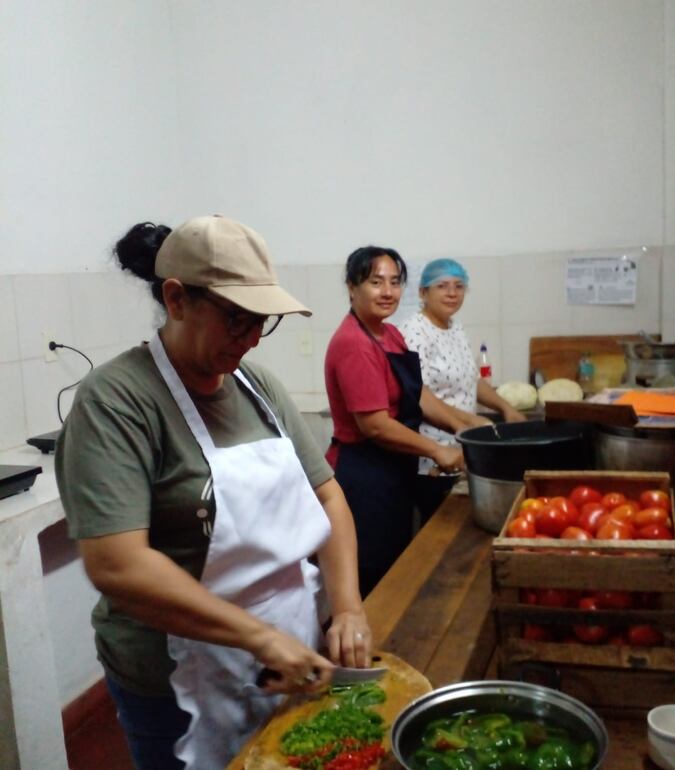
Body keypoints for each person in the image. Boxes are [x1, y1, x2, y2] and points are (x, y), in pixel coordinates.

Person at [55, 215, 371, 770]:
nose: (250, 339)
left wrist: (345, 608)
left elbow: (329, 499)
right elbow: (117, 564)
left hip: (289, 650)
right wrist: (258, 638)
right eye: (236, 320)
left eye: (261, 322)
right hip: (181, 675)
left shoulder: (258, 386)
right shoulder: (117, 400)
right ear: (176, 300)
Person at [324, 246, 488, 597]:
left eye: (395, 282)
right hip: (363, 477)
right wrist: (437, 450)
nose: (387, 291)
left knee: (396, 568)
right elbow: (375, 425)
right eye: (375, 281)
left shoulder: (389, 334)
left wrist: (463, 427)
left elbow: (418, 395)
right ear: (352, 287)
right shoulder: (354, 343)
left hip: (393, 471)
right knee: (371, 576)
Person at [399, 258, 526, 522]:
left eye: (459, 286)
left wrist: (506, 408)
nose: (452, 293)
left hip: (464, 448)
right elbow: (418, 395)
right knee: (441, 531)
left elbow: (470, 378)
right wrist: (468, 423)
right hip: (433, 458)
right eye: (442, 286)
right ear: (423, 293)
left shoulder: (455, 327)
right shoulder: (414, 332)